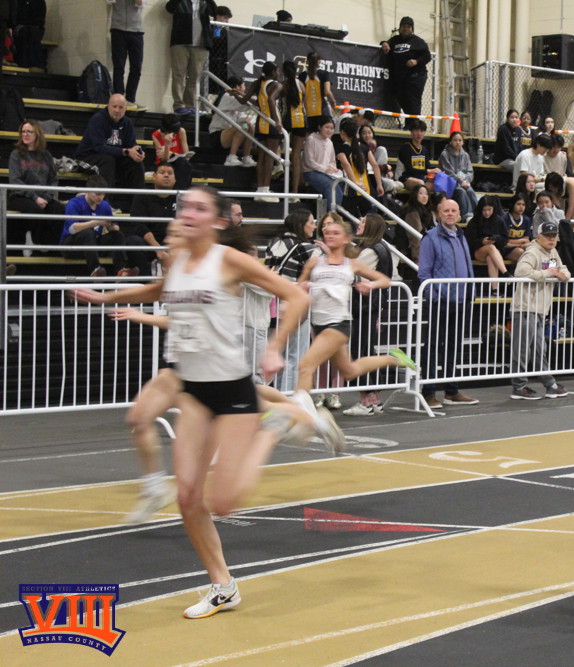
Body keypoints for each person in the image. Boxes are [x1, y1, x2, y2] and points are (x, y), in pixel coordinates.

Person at [71, 185, 311, 619]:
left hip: (232, 392)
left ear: (217, 221)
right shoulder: (179, 259)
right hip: (194, 391)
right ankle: (223, 586)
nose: (189, 213)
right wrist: (106, 297)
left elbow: (297, 296)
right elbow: (157, 290)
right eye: (186, 207)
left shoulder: (229, 260)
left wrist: (275, 347)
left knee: (223, 503)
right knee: (187, 497)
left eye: (200, 208)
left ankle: (272, 427)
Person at [292, 214, 417, 416]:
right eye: (327, 232)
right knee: (349, 371)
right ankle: (393, 358)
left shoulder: (351, 264)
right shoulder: (314, 262)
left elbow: (384, 280)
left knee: (306, 365)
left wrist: (370, 285)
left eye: (335, 233)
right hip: (319, 322)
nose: (330, 236)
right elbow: (298, 288)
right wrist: (303, 287)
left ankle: (301, 416)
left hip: (338, 324)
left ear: (345, 239)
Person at [417, 197, 479, 409]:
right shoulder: (430, 238)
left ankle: (451, 391)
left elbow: (467, 267)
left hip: (460, 302)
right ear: (438, 214)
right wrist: (435, 297)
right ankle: (428, 392)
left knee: (454, 346)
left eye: (454, 210)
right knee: (433, 347)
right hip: (440, 303)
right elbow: (424, 272)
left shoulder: (461, 236)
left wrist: (470, 293)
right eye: (446, 211)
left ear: (459, 214)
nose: (450, 214)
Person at [344, 214, 399, 416]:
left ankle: (366, 400)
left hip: (365, 307)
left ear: (371, 227)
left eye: (363, 222)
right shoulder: (380, 247)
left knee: (360, 352)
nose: (358, 224)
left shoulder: (372, 250)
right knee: (366, 350)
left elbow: (350, 271)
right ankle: (374, 399)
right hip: (370, 307)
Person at [509, 220, 570, 400]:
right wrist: (547, 274)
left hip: (540, 309)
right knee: (522, 349)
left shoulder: (552, 252)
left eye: (554, 236)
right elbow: (520, 272)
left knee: (539, 349)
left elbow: (562, 268)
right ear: (539, 236)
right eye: (548, 236)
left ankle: (549, 383)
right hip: (525, 307)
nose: (551, 239)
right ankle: (519, 387)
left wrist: (564, 275)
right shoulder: (532, 252)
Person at [265, 209, 322, 392]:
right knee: (295, 356)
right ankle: (289, 397)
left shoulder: (274, 243)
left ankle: (276, 396)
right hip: (296, 305)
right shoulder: (308, 248)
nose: (314, 227)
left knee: (277, 355)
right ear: (301, 225)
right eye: (311, 223)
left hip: (273, 305)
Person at [75, 94, 145, 208]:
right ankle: (105, 205)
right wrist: (126, 151)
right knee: (107, 161)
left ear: (125, 109)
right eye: (114, 106)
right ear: (108, 106)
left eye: (121, 107)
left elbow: (131, 145)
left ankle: (139, 206)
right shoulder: (98, 120)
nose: (117, 110)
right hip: (87, 158)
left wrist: (138, 152)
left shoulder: (127, 123)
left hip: (113, 160)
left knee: (136, 164)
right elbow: (99, 148)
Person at [7, 118, 65, 251]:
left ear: (37, 134)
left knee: (59, 209)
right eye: (23, 132)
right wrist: (35, 197)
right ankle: (35, 242)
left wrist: (46, 197)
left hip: (43, 196)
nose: (25, 134)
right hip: (21, 196)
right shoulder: (16, 155)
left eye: (29, 132)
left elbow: (53, 179)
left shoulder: (46, 155)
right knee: (35, 210)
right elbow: (15, 181)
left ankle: (51, 248)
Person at [60, 175, 133, 277]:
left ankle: (121, 269)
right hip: (72, 245)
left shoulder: (104, 205)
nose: (100, 197)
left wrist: (111, 227)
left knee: (117, 235)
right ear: (88, 191)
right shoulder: (74, 203)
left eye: (103, 194)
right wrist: (95, 222)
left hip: (93, 244)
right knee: (88, 233)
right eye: (97, 194)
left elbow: (116, 227)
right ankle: (95, 269)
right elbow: (72, 229)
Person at [229, 62, 281, 201]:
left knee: (262, 157)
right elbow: (270, 100)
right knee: (269, 157)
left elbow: (245, 101)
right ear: (273, 72)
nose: (279, 73)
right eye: (277, 71)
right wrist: (277, 121)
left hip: (260, 122)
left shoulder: (258, 83)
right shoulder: (276, 85)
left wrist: (236, 94)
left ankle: (260, 189)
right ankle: (266, 189)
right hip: (271, 122)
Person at [165, 0, 217, 115]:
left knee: (195, 76)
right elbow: (169, 8)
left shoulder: (204, 2)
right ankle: (178, 105)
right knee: (179, 75)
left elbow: (215, 12)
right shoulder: (182, 2)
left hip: (201, 44)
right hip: (180, 42)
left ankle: (190, 105)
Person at [125, 163, 177, 275]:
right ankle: (147, 279)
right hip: (150, 244)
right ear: (154, 176)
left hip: (174, 244)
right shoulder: (142, 195)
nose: (166, 175)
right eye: (162, 172)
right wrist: (158, 249)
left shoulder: (181, 198)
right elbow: (140, 226)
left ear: (175, 179)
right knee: (132, 242)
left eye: (170, 173)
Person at [380, 16, 430, 129]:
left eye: (408, 27)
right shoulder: (395, 39)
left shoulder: (418, 41)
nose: (405, 29)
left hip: (416, 76)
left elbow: (427, 56)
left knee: (413, 100)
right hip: (401, 78)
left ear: (412, 29)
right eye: (403, 26)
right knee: (402, 99)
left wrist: (416, 61)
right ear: (400, 28)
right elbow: (387, 43)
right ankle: (409, 124)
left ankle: (415, 126)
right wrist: (385, 44)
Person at [337, 116, 384, 217]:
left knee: (348, 219)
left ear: (342, 132)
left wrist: (354, 183)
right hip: (367, 189)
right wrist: (379, 185)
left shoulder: (342, 148)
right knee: (368, 219)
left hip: (351, 190)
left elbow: (346, 164)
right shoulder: (364, 147)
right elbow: (375, 165)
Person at [464, 195, 511, 293]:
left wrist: (496, 239)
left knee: (490, 257)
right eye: (484, 210)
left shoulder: (499, 220)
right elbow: (469, 241)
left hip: (496, 252)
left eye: (489, 209)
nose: (487, 212)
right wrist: (482, 241)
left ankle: (495, 289)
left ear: (493, 208)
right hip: (478, 251)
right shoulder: (474, 222)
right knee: (490, 247)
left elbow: (505, 239)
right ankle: (505, 273)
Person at [211, 76, 256, 167]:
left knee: (249, 125)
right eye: (244, 85)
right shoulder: (227, 96)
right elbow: (246, 104)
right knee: (243, 125)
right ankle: (231, 157)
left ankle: (246, 157)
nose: (245, 88)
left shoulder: (237, 101)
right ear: (237, 87)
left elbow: (242, 117)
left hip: (231, 133)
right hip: (218, 135)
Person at [279, 60, 308, 198]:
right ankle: (295, 191)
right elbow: (305, 102)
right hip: (301, 120)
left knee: (276, 145)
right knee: (296, 155)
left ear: (283, 71)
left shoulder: (282, 85)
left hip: (286, 119)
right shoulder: (301, 84)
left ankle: (278, 166)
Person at [301, 115, 342, 212]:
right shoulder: (311, 139)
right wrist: (325, 169)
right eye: (327, 127)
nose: (329, 130)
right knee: (330, 186)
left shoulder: (329, 142)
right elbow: (309, 162)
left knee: (340, 185)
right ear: (319, 127)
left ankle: (335, 212)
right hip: (311, 172)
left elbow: (332, 161)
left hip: (327, 173)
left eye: (331, 128)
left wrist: (333, 169)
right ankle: (331, 213)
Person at [109, 0, 144, 105]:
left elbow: (141, 3)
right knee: (119, 66)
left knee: (136, 67)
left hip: (136, 30)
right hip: (118, 29)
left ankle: (130, 99)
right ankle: (119, 99)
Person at [438, 131, 478, 218]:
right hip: (450, 183)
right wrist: (460, 181)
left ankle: (478, 214)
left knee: (470, 191)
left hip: (464, 182)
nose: (458, 142)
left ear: (463, 142)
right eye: (455, 140)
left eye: (460, 140)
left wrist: (466, 181)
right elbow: (448, 172)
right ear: (450, 142)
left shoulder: (466, 155)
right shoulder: (444, 154)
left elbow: (470, 171)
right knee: (461, 191)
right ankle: (466, 215)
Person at [151, 113, 193, 190]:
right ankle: (178, 191)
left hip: (180, 161)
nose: (174, 135)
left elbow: (186, 155)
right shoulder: (156, 135)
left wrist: (172, 154)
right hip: (163, 162)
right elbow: (164, 159)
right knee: (180, 164)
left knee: (186, 164)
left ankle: (182, 191)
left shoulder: (181, 131)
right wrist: (167, 144)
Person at [299, 51, 338, 131]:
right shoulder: (324, 74)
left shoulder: (302, 76)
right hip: (322, 110)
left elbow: (301, 94)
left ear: (307, 61)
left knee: (311, 134)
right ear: (319, 62)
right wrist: (332, 102)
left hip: (308, 111)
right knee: (326, 133)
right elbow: (327, 92)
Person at [502, 194, 533, 263]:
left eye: (523, 205)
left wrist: (521, 242)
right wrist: (520, 241)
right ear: (512, 205)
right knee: (521, 252)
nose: (521, 207)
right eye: (518, 204)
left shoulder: (526, 219)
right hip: (506, 249)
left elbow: (526, 239)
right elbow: (504, 242)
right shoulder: (504, 219)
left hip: (521, 246)